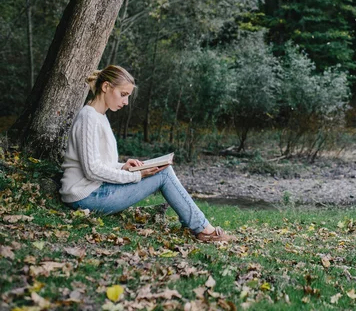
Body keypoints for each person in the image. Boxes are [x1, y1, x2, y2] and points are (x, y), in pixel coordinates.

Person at [60, 65, 234, 243]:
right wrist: (136, 176)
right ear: (106, 87)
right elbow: (92, 170)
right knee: (164, 174)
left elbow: (98, 162)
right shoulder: (89, 117)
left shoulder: (99, 116)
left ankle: (202, 226)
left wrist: (124, 166)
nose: (126, 102)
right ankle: (204, 229)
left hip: (94, 191)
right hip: (85, 197)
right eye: (123, 94)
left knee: (163, 169)